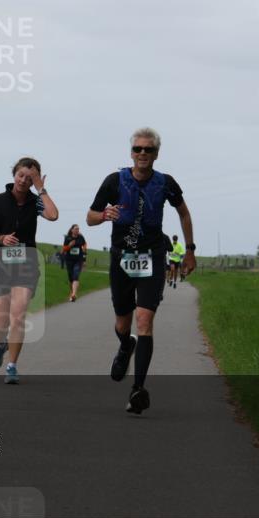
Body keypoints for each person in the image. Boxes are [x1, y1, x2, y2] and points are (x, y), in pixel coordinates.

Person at [86, 127, 196, 414]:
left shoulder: (166, 183)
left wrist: (190, 250)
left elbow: (183, 212)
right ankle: (126, 345)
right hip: (122, 258)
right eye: (138, 149)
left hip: (152, 258)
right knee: (123, 324)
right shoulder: (114, 181)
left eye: (148, 150)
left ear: (156, 154)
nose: (142, 154)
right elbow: (90, 218)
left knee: (144, 321)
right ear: (131, 152)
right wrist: (104, 215)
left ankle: (138, 390)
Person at [0, 158, 59, 384]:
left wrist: (41, 188)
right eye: (21, 175)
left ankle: (12, 366)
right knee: (1, 323)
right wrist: (1, 238)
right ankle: (1, 344)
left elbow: (53, 215)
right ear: (14, 174)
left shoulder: (36, 201)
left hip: (26, 264)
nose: (24, 181)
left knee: (18, 316)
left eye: (30, 178)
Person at [62, 224, 88, 302]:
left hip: (78, 260)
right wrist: (69, 245)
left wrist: (84, 259)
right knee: (71, 278)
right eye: (76, 229)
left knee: (76, 275)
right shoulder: (68, 238)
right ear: (72, 230)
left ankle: (74, 294)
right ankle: (72, 292)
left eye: (78, 229)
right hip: (69, 260)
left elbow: (84, 245)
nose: (77, 230)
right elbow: (64, 249)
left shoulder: (80, 237)